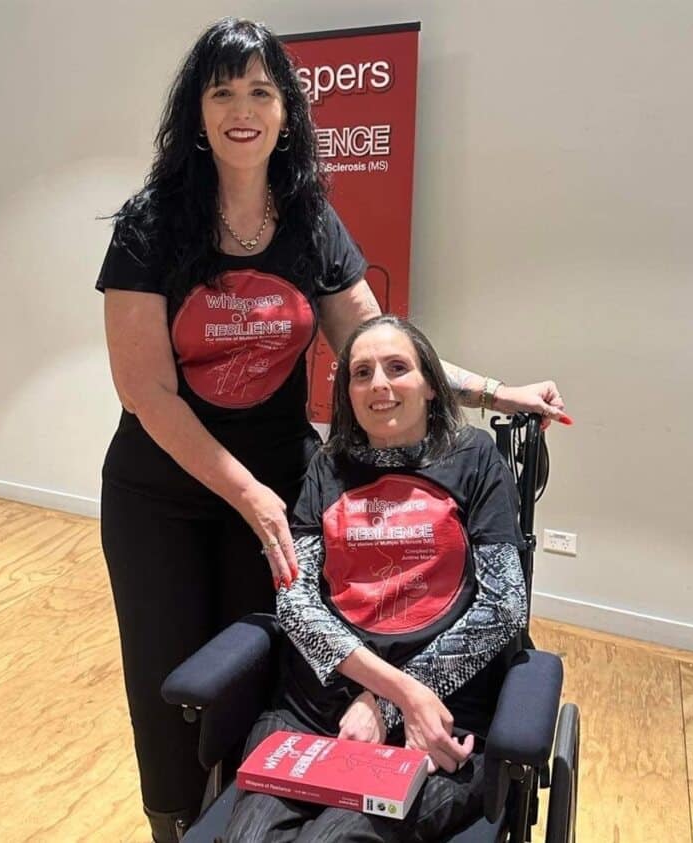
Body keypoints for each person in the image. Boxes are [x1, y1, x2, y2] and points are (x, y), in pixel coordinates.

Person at [95, 18, 566, 843]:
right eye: (222, 93)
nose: (243, 110)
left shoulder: (309, 222)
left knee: (275, 666)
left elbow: (381, 347)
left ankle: (274, 798)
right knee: (173, 679)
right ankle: (181, 823)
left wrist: (498, 391)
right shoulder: (151, 224)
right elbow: (146, 392)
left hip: (280, 482)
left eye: (261, 92)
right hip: (165, 488)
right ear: (196, 113)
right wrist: (248, 495)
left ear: (286, 111)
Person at [223, 315, 529, 842]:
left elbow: (503, 607)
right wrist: (392, 692)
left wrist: (387, 704)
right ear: (347, 393)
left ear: (430, 384)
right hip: (316, 711)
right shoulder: (328, 468)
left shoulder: (474, 458)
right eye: (361, 373)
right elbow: (296, 602)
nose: (379, 385)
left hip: (439, 714)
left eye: (397, 368)